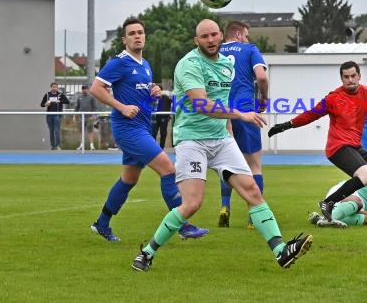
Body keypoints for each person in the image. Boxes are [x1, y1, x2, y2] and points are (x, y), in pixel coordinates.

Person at [132, 19, 312, 271]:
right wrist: (240, 115)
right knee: (192, 204)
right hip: (192, 140)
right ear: (197, 41)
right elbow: (201, 104)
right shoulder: (189, 64)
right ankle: (148, 252)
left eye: (214, 34)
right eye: (204, 36)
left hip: (221, 139)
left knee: (252, 191)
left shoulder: (228, 64)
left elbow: (221, 100)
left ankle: (281, 251)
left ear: (222, 36)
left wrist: (229, 130)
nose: (210, 40)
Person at [89, 17, 208, 242]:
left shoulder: (145, 64)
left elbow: (138, 95)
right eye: (132, 33)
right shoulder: (119, 62)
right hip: (128, 129)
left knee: (129, 179)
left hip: (141, 126)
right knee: (168, 169)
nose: (137, 36)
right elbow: (96, 88)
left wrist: (153, 92)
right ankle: (183, 225)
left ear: (145, 36)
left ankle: (102, 223)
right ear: (124, 39)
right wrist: (121, 107)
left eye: (140, 32)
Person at [268, 61, 367, 226]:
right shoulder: (333, 98)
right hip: (337, 147)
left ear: (359, 76)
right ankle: (328, 202)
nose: (350, 80)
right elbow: (311, 115)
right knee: (366, 176)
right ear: (341, 79)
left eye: (353, 76)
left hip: (355, 146)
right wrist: (287, 125)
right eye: (346, 77)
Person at [217, 20, 269, 228]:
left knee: (226, 163)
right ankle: (252, 217)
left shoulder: (215, 50)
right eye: (246, 35)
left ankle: (224, 206)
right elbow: (262, 77)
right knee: (254, 165)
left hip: (221, 111)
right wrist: (264, 98)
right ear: (238, 34)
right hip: (245, 109)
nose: (248, 39)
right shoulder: (249, 49)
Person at [40, 82, 70, 150]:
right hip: (49, 115)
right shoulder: (47, 95)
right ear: (51, 87)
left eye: (56, 87)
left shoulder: (60, 94)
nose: (54, 88)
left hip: (57, 115)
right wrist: (46, 104)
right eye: (53, 87)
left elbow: (67, 101)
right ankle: (53, 146)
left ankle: (58, 145)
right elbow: (41, 104)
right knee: (51, 130)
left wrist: (60, 101)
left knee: (57, 130)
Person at [73, 85, 98, 150]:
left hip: (89, 118)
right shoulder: (79, 98)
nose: (84, 90)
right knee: (81, 131)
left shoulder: (91, 98)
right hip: (81, 118)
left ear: (88, 89)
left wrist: (93, 116)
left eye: (86, 89)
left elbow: (95, 108)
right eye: (83, 89)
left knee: (90, 131)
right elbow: (76, 108)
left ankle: (92, 146)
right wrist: (74, 116)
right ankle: (81, 145)